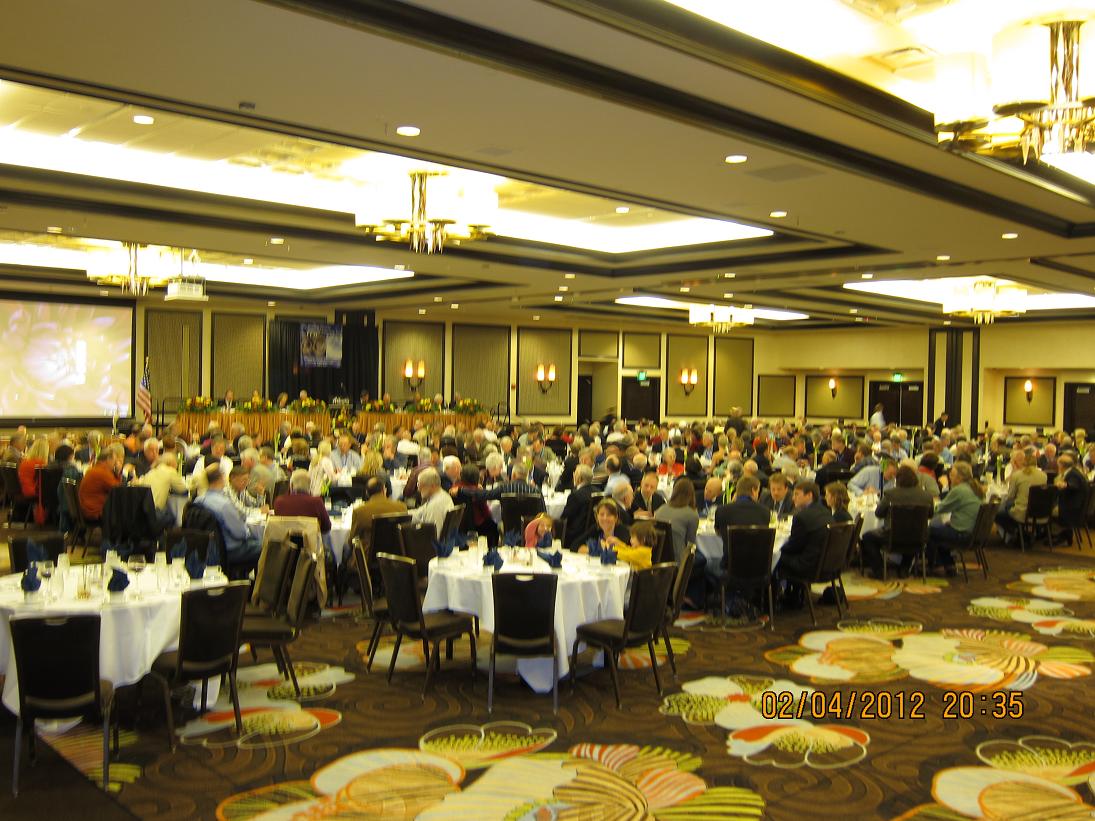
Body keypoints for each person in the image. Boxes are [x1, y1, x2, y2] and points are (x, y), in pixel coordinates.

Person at [859, 466, 934, 578]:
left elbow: (878, 513)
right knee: (912, 534)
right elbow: (930, 515)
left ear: (898, 480)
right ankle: (904, 567)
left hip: (892, 536)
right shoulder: (927, 496)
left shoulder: (890, 494)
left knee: (867, 537)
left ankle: (879, 570)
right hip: (918, 537)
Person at [194, 467, 263, 564]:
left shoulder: (198, 500)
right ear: (223, 479)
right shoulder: (224, 504)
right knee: (266, 546)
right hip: (228, 550)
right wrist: (250, 532)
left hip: (206, 548)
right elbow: (240, 533)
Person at [655, 477, 705, 607]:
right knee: (703, 562)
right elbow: (690, 544)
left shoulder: (660, 510)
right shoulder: (691, 514)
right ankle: (690, 597)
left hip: (659, 558)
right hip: (678, 561)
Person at [927, 462, 984, 575]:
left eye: (952, 475)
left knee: (928, 531)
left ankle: (937, 565)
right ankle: (948, 564)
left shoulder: (959, 490)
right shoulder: (974, 488)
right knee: (940, 528)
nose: (949, 477)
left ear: (960, 477)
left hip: (963, 534)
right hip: (973, 532)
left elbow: (939, 509)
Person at [995, 448, 1047, 545]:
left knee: (996, 513)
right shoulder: (1044, 476)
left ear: (1023, 463)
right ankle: (1019, 532)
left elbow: (1010, 496)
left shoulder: (1017, 475)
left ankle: (1011, 535)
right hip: (1040, 511)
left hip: (1022, 512)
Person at [347, 475, 407, 554]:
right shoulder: (402, 507)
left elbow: (352, 539)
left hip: (368, 557)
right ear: (384, 490)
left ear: (367, 493)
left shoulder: (359, 511)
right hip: (395, 556)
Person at [78, 444, 133, 522]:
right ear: (108, 459)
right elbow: (119, 491)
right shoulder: (102, 473)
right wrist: (118, 472)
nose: (115, 464)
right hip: (96, 512)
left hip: (88, 509)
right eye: (114, 461)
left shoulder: (95, 469)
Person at [136, 451, 188, 529]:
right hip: (155, 513)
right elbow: (182, 489)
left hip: (142, 512)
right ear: (172, 463)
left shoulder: (151, 472)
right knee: (173, 516)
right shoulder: (170, 471)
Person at [451, 463, 498, 546]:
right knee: (493, 527)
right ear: (476, 477)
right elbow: (486, 513)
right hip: (476, 525)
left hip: (458, 526)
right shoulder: (476, 492)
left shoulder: (454, 489)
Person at [273, 468, 331, 534]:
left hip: (285, 540)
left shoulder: (279, 502)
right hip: (310, 540)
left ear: (291, 486)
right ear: (310, 486)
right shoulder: (317, 502)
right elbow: (327, 527)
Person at [1052, 453, 1089, 546]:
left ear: (1061, 465)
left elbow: (1073, 485)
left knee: (1047, 510)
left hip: (1072, 508)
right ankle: (1060, 534)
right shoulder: (1074, 471)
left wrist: (1065, 485)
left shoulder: (1073, 475)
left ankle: (1060, 535)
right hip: (1078, 506)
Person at [561, 464, 597, 549]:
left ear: (579, 478)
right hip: (593, 531)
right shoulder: (597, 491)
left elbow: (565, 517)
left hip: (576, 533)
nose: (573, 476)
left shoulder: (575, 496)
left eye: (575, 474)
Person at [411, 467, 454, 535]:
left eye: (421, 485)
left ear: (432, 486)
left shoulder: (435, 506)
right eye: (418, 484)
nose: (418, 489)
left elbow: (433, 534)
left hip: (428, 540)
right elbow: (421, 510)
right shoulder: (444, 496)